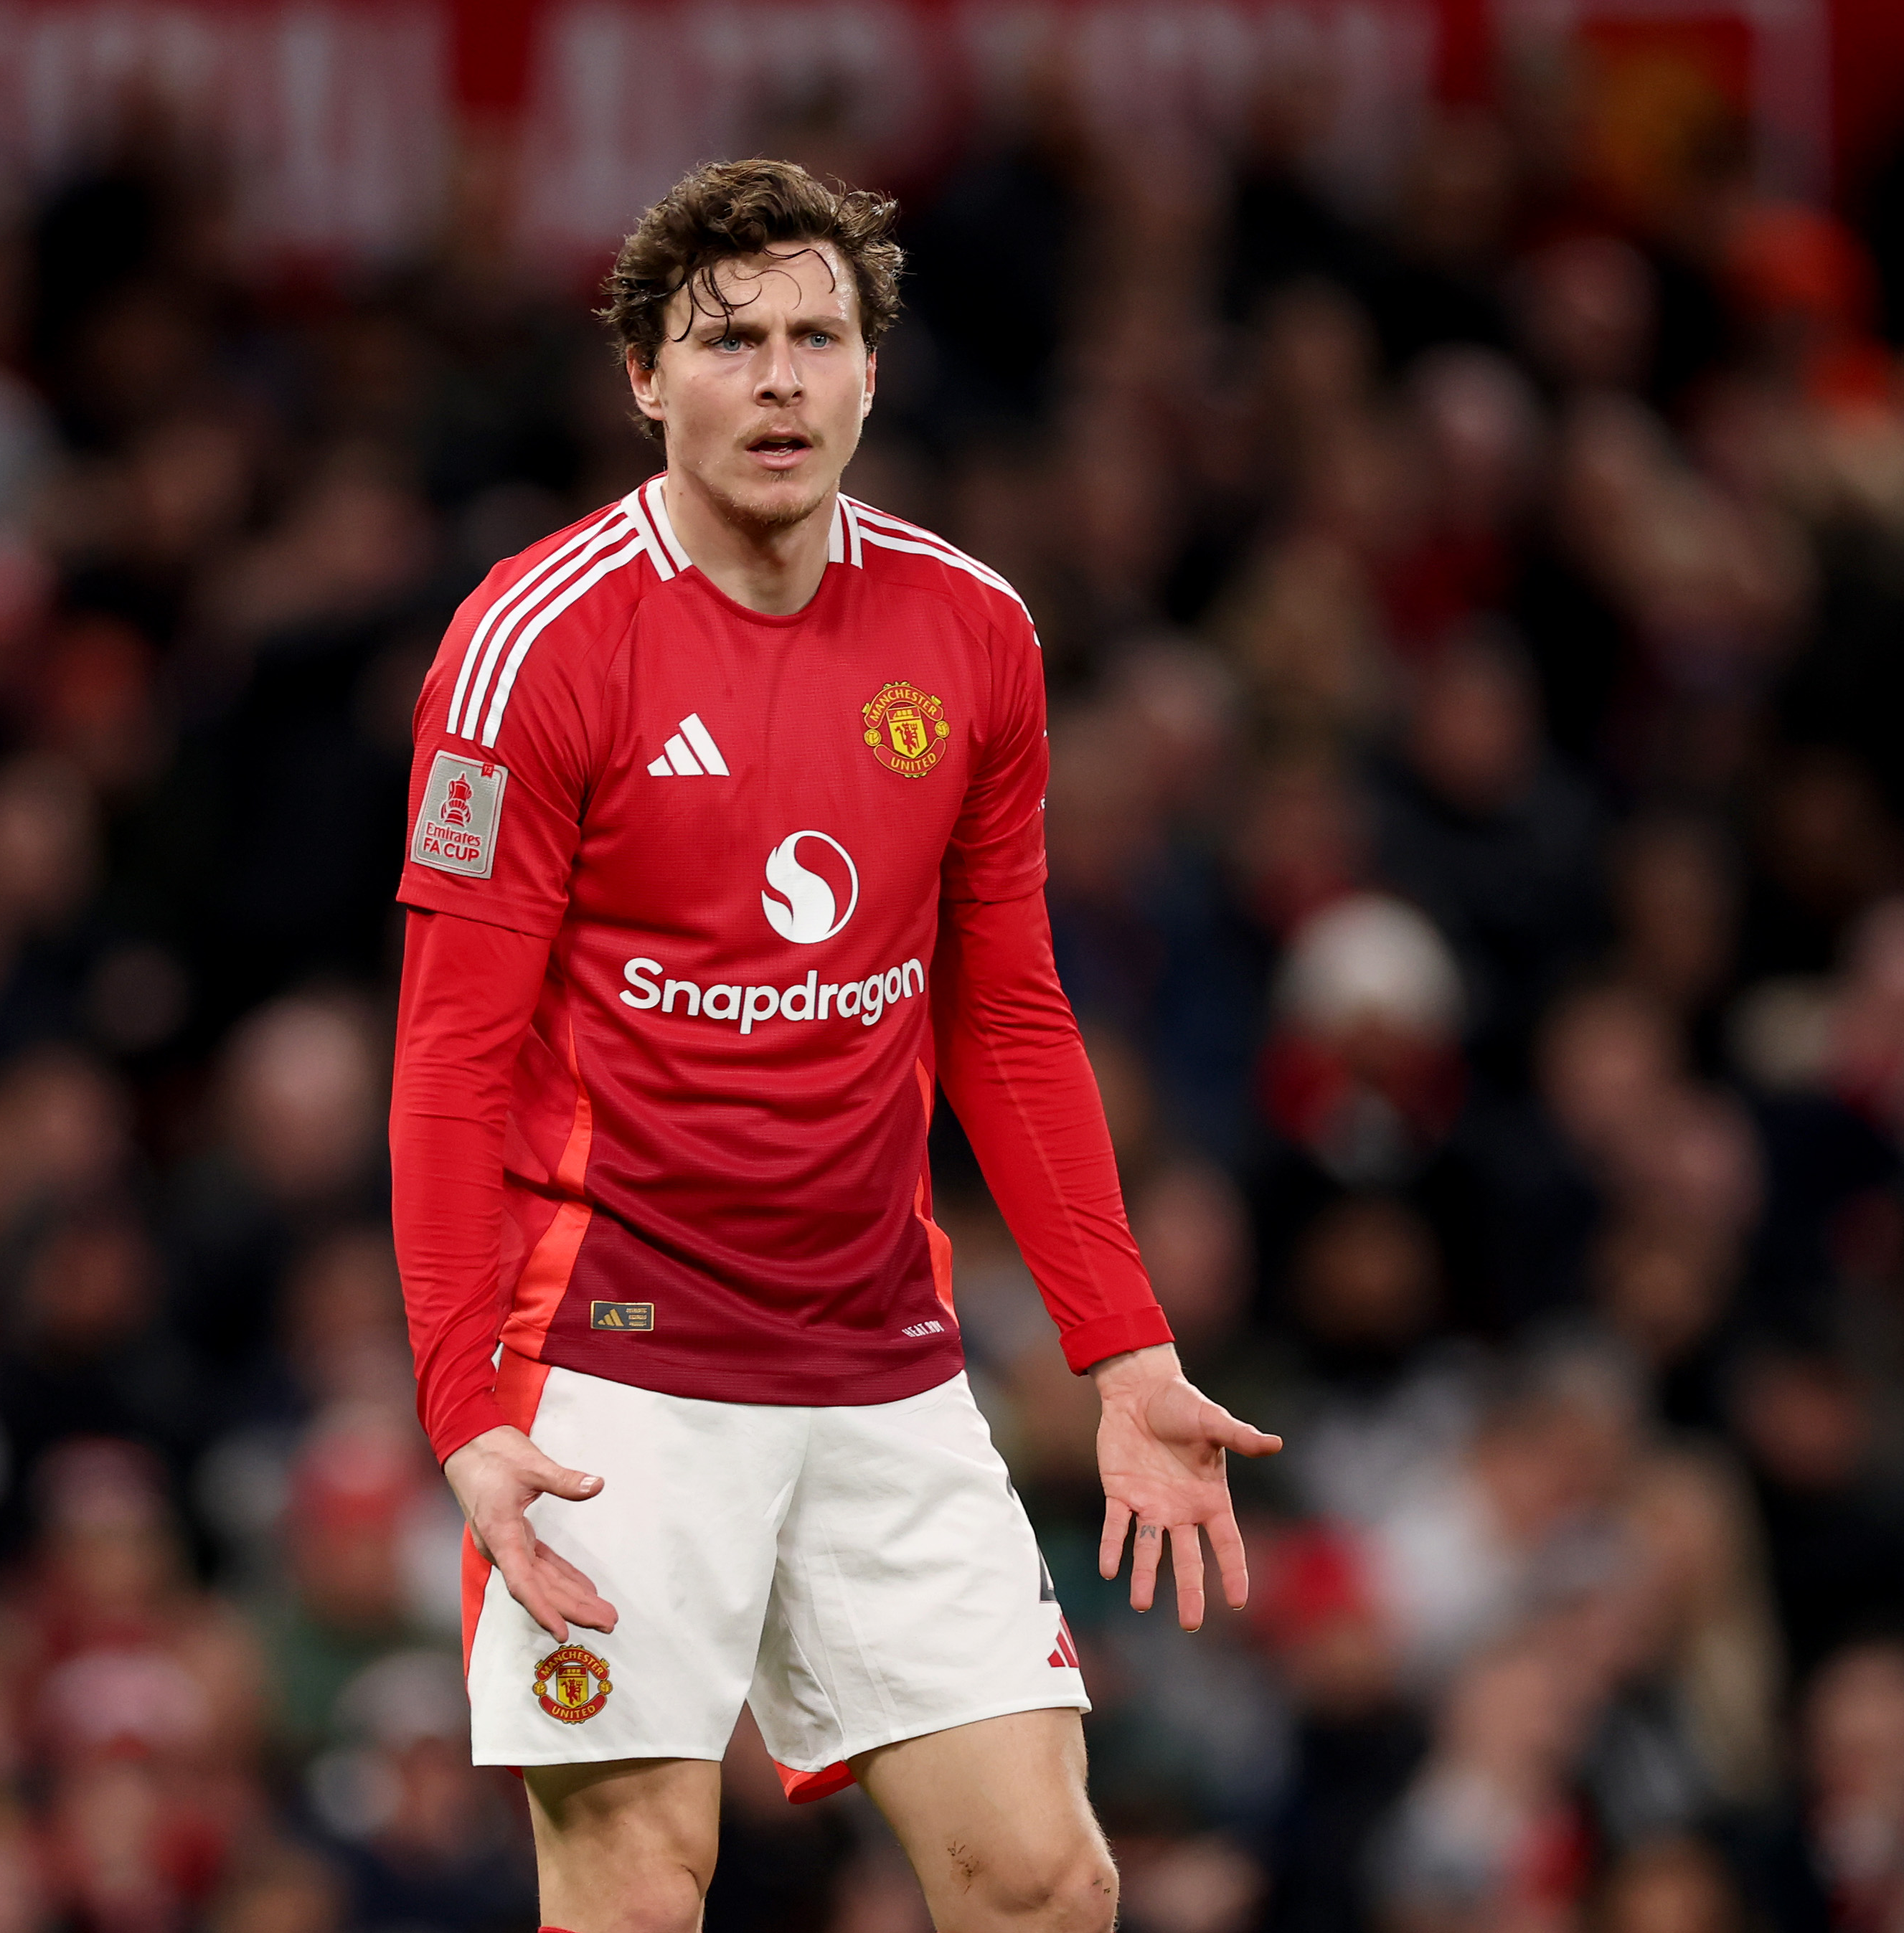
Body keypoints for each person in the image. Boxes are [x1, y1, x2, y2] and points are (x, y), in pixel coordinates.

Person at [387, 157, 1279, 1933]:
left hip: (879, 1352)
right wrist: (459, 1405)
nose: (780, 379)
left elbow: (1005, 1010)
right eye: (730, 342)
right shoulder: (532, 647)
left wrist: (1118, 1340)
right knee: (636, 1885)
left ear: (875, 370)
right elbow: (447, 1055)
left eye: (818, 336)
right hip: (610, 1363)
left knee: (1040, 1874)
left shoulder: (972, 631)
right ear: (644, 375)